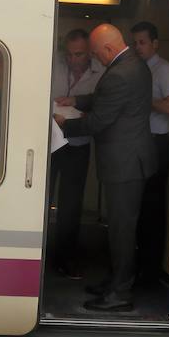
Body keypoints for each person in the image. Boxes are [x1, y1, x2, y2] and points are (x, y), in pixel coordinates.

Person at [54, 24, 156, 312]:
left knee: (121, 230)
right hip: (130, 161)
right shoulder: (133, 64)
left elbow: (98, 121)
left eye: (97, 54)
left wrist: (66, 124)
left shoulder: (121, 74)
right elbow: (104, 99)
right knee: (120, 228)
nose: (96, 59)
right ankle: (115, 281)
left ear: (109, 49)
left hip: (124, 165)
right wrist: (75, 100)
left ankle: (120, 293)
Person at [49, 29, 103, 278]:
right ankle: (36, 254)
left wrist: (87, 116)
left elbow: (104, 107)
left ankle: (65, 258)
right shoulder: (52, 62)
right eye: (69, 54)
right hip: (48, 141)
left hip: (78, 143)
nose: (73, 59)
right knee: (39, 199)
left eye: (79, 54)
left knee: (71, 205)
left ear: (90, 52)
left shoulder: (102, 72)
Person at [131, 21, 169, 282]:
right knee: (138, 206)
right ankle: (137, 266)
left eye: (142, 42)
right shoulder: (137, 69)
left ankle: (150, 271)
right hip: (140, 142)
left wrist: (144, 99)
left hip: (157, 142)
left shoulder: (165, 71)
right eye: (135, 43)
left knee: (152, 207)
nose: (137, 47)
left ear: (155, 44)